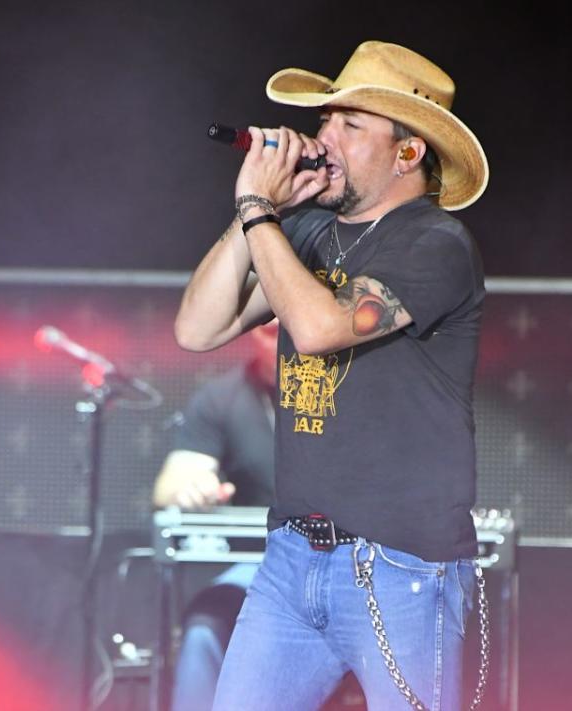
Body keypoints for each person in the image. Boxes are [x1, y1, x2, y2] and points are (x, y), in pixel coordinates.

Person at [173, 40, 490, 711]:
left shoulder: (436, 244)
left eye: (350, 125)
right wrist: (255, 214)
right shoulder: (311, 234)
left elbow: (319, 328)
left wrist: (263, 212)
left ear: (409, 152)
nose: (324, 138)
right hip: (292, 561)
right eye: (325, 121)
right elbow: (197, 328)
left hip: (403, 569)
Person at [152, 319, 277, 711]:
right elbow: (170, 485)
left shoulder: (353, 392)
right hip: (259, 570)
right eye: (268, 322)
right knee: (204, 628)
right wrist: (192, 488)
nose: (279, 329)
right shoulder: (222, 398)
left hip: (347, 567)